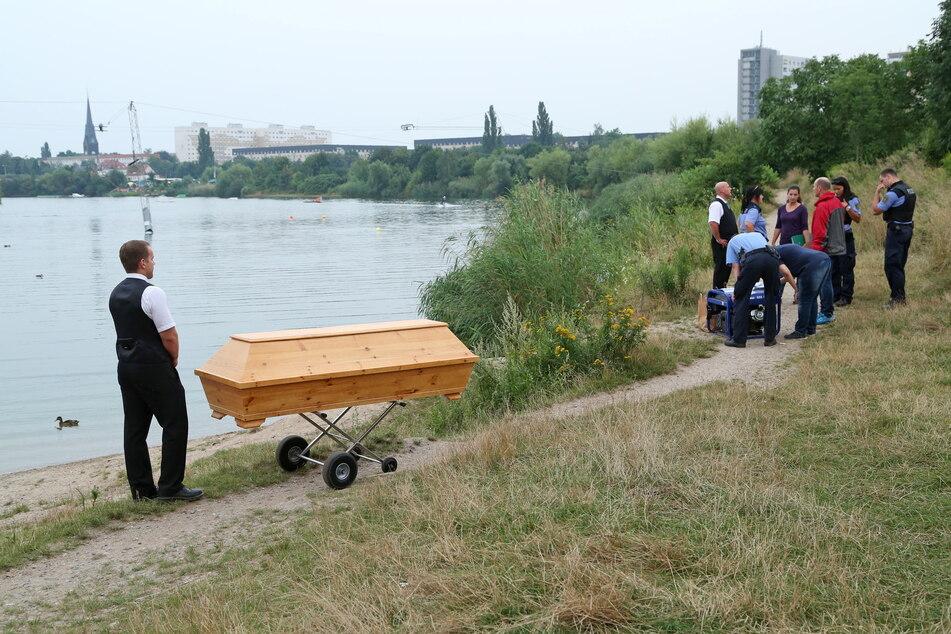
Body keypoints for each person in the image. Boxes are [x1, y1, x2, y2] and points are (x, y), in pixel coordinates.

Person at [109, 240, 203, 502]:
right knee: (174, 423)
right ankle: (171, 487)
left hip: (126, 366)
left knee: (135, 429)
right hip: (153, 366)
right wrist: (172, 359)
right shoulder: (152, 293)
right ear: (142, 262)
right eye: (152, 258)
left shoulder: (115, 292)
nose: (153, 263)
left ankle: (141, 490)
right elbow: (169, 335)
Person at [722, 231, 795, 348]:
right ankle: (770, 338)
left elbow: (736, 267)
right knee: (771, 297)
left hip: (753, 260)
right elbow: (765, 253)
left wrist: (738, 289)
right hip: (772, 258)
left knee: (742, 298)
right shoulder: (756, 234)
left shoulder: (731, 243)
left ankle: (739, 340)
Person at [872, 167, 916, 308]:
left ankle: (897, 299)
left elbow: (876, 210)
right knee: (899, 264)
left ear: (889, 177)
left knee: (892, 265)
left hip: (896, 232)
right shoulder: (909, 189)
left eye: (882, 181)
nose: (882, 184)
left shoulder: (893, 193)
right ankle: (899, 296)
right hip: (907, 229)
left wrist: (877, 192)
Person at [809, 177, 845, 324]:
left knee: (824, 282)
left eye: (813, 186)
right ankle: (828, 310)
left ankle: (826, 312)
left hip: (825, 250)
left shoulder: (823, 207)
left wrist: (815, 251)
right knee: (829, 280)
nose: (812, 189)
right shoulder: (837, 202)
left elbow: (820, 233)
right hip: (837, 248)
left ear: (819, 188)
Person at [776, 244, 831, 339]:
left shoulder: (773, 256)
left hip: (811, 265)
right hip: (823, 259)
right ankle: (810, 328)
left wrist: (797, 290)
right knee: (812, 297)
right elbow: (790, 275)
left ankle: (801, 330)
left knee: (804, 299)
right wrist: (777, 282)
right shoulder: (779, 250)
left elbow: (786, 273)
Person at [830, 176, 862, 306]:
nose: (836, 192)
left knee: (846, 267)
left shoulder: (853, 199)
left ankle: (846, 296)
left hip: (846, 234)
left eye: (838, 189)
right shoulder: (833, 199)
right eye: (834, 189)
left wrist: (847, 207)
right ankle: (835, 295)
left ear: (845, 187)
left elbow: (858, 218)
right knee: (834, 267)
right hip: (833, 236)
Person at [708, 181, 738, 289]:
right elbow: (713, 223)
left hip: (728, 243)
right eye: (728, 187)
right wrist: (718, 239)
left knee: (726, 270)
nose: (730, 188)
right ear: (722, 190)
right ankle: (717, 297)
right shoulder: (716, 204)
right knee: (721, 270)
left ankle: (722, 294)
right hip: (722, 244)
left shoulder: (724, 204)